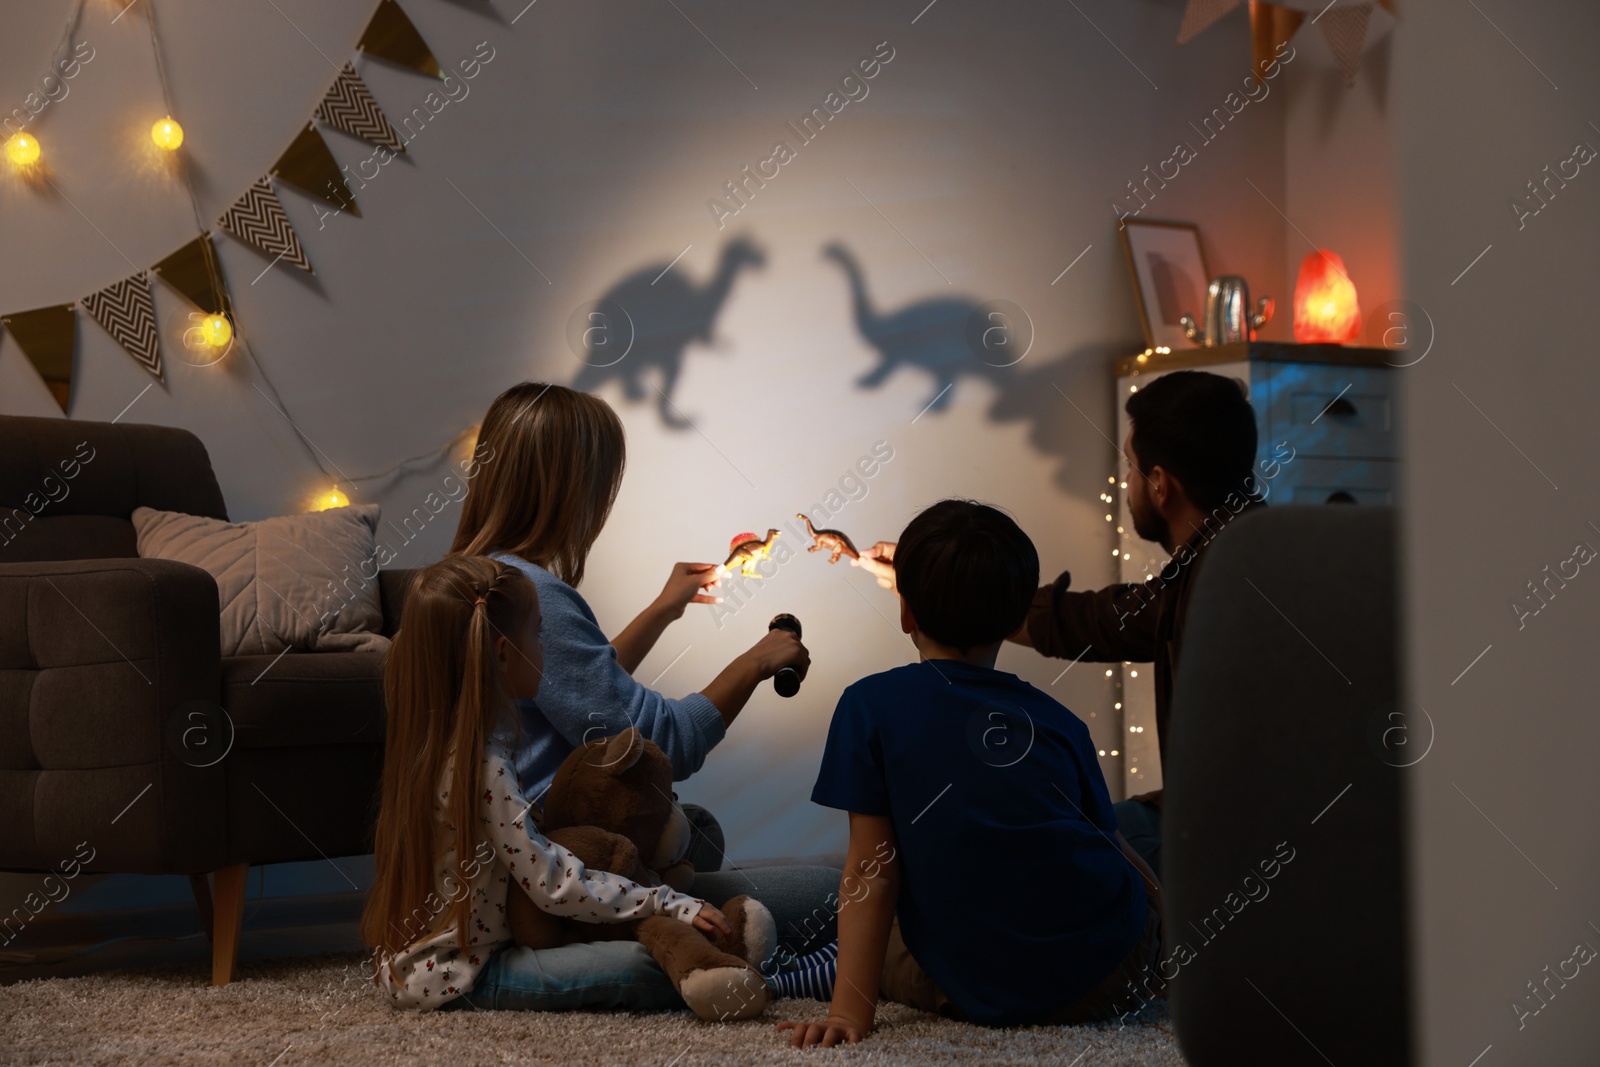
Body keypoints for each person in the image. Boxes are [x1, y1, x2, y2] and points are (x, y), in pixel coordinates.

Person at [449, 382, 838, 968]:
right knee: (832, 897)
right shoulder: (538, 598)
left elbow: (572, 687)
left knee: (698, 831)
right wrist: (756, 663)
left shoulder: (477, 581)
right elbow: (661, 745)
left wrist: (663, 609)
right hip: (554, 867)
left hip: (503, 853)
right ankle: (651, 938)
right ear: (571, 488)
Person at [779, 500, 1162, 1047]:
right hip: (1108, 975)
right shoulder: (1060, 722)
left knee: (868, 926)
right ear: (1013, 621)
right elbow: (1112, 841)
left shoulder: (869, 706)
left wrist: (849, 1013)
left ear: (906, 612)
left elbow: (871, 869)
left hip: (984, 984)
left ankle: (800, 976)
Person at [853, 370, 1264, 876]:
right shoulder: (1228, 556)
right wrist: (951, 577)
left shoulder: (1230, 581)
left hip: (1236, 842)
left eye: (1131, 469)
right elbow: (1098, 620)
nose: (1127, 483)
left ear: (1161, 484)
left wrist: (945, 584)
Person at [362, 555, 730, 1011]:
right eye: (538, 633)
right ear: (502, 654)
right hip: (464, 973)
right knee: (639, 965)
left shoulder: (445, 743)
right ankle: (743, 972)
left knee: (693, 841)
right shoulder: (483, 765)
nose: (544, 647)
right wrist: (664, 901)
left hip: (438, 963)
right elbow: (550, 882)